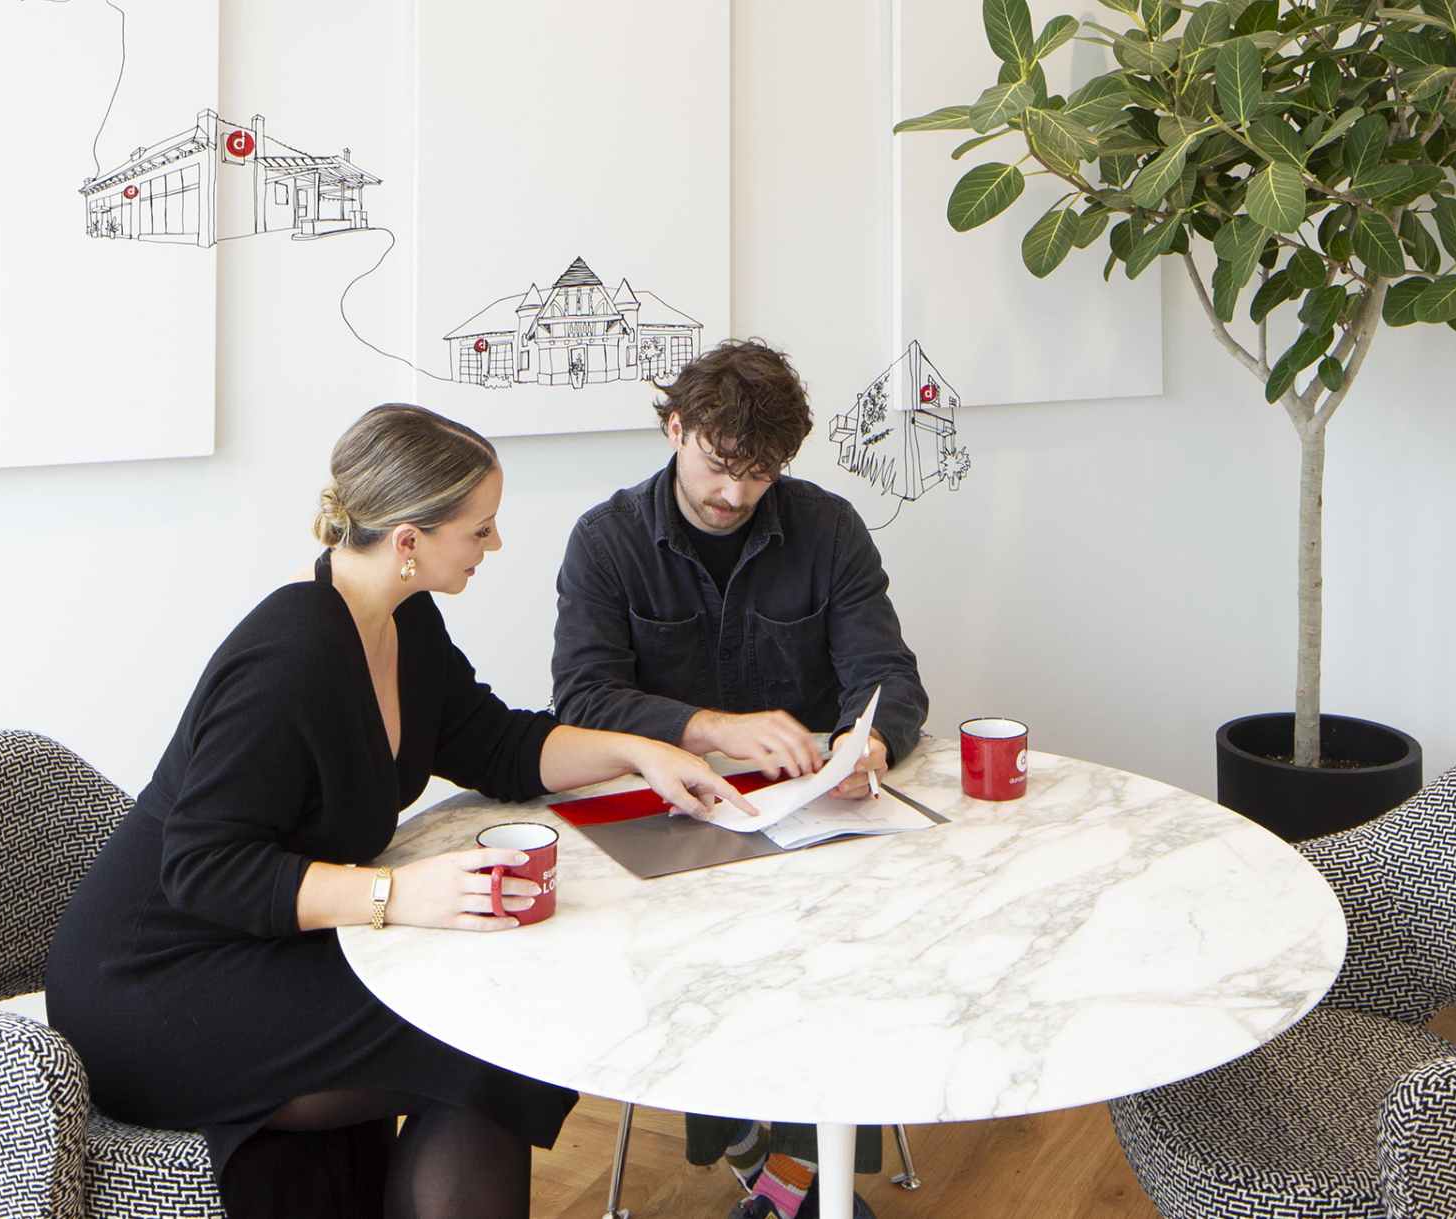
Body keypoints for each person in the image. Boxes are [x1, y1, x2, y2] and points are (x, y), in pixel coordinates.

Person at [46, 404, 758, 1219]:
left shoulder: (403, 621)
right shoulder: (292, 654)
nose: (494, 547)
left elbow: (494, 744)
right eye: (480, 529)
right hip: (153, 988)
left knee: (489, 1040)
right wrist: (395, 895)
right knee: (486, 1045)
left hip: (259, 942)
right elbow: (204, 868)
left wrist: (640, 751)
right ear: (409, 539)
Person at [551, 339, 928, 1219]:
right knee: (705, 944)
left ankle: (796, 1183)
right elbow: (582, 698)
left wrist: (864, 746)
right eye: (721, 467)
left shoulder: (827, 528)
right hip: (664, 819)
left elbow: (889, 678)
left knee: (845, 941)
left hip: (810, 824)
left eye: (759, 475)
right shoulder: (606, 541)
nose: (735, 494)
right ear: (674, 427)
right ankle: (776, 1168)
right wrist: (710, 728)